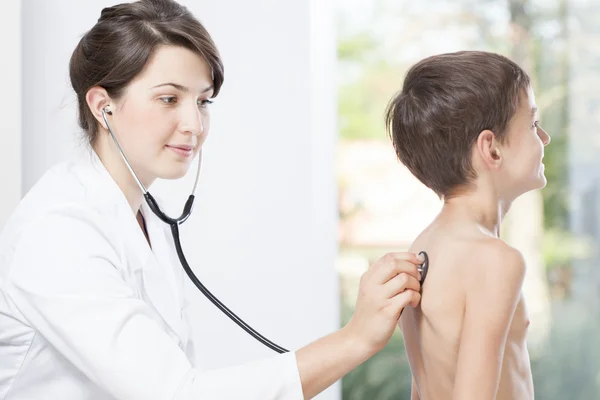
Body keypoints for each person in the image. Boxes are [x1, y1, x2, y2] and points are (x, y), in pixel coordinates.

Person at [0, 0, 424, 399]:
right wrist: (355, 339)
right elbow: (178, 393)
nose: (194, 124)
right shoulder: (58, 230)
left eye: (202, 101)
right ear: (102, 105)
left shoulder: (139, 214)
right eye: (169, 98)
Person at [385, 50, 551, 399]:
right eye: (533, 124)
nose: (545, 138)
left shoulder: (423, 247)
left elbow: (423, 387)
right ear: (491, 150)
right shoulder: (495, 260)